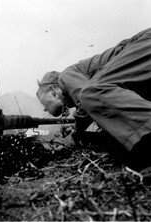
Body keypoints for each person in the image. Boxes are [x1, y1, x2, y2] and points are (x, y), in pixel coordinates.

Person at [37, 28, 151, 175]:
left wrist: (75, 134)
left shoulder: (65, 76)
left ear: (53, 90)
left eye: (43, 104)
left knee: (91, 92)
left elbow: (85, 98)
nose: (45, 110)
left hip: (145, 44)